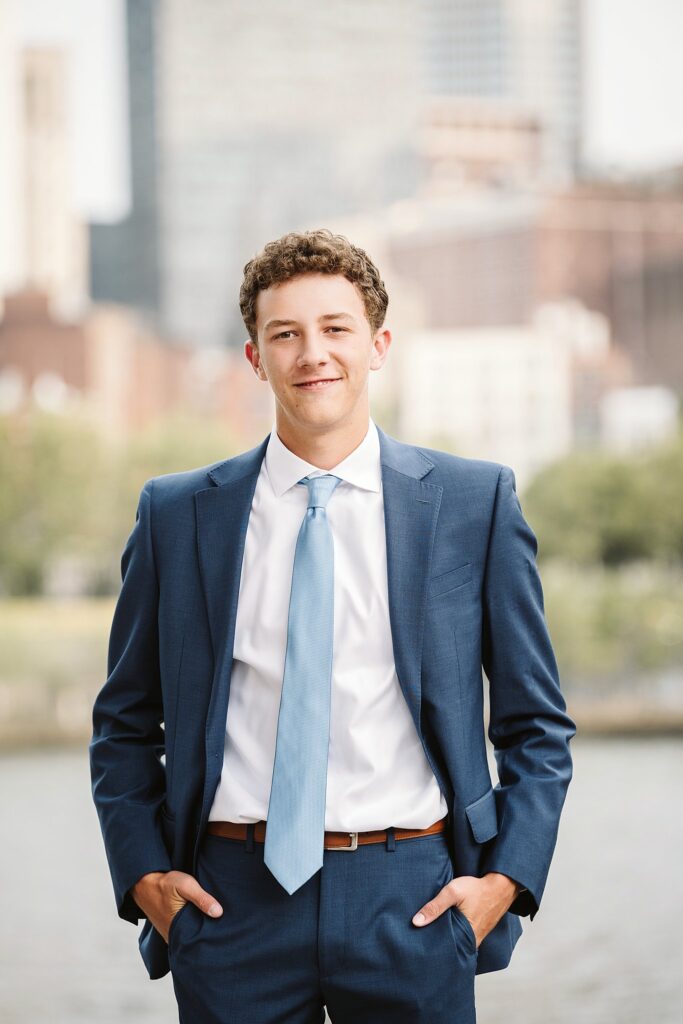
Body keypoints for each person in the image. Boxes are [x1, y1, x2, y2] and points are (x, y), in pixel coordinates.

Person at [89, 228, 576, 1023]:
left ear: (377, 344)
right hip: (227, 903)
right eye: (285, 333)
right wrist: (144, 877)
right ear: (255, 357)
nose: (311, 352)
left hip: (412, 897)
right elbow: (123, 721)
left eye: (335, 328)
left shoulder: (472, 503)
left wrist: (502, 885)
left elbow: (536, 724)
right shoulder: (177, 514)